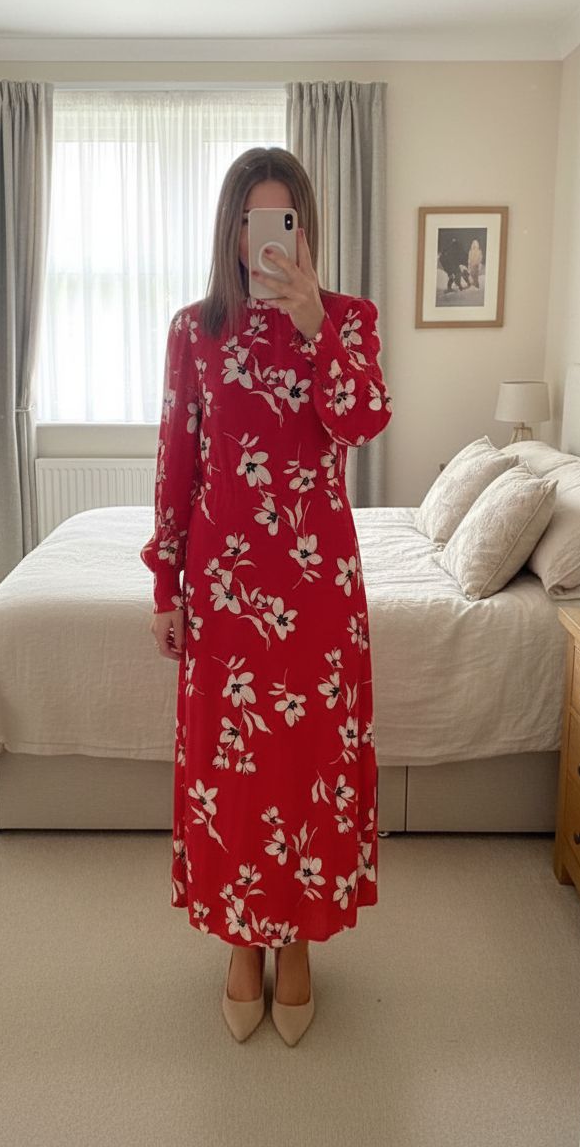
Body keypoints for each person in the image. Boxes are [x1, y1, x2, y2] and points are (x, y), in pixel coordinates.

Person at [140, 147, 393, 1046]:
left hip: (318, 585)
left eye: (286, 222)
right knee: (237, 770)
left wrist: (319, 322)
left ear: (306, 230)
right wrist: (165, 582)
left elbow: (361, 421)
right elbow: (178, 465)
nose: (268, 243)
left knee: (309, 768)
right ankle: (245, 936)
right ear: (233, 231)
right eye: (255, 223)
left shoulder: (349, 322)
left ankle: (301, 942)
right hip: (222, 584)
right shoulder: (193, 331)